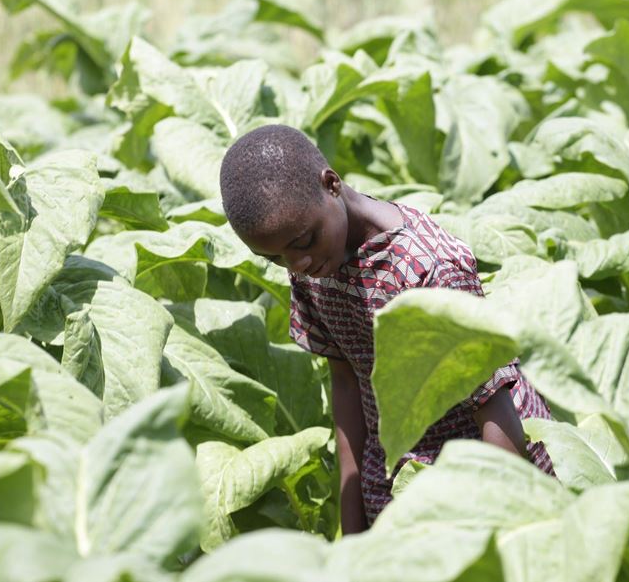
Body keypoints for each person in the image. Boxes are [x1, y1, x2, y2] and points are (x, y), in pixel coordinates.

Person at [219, 124, 555, 534]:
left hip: (488, 471)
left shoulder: (428, 268)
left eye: (303, 242)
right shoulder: (312, 264)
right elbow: (347, 383)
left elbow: (493, 403)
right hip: (396, 478)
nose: (296, 265)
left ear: (331, 185)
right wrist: (353, 529)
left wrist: (498, 529)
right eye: (275, 259)